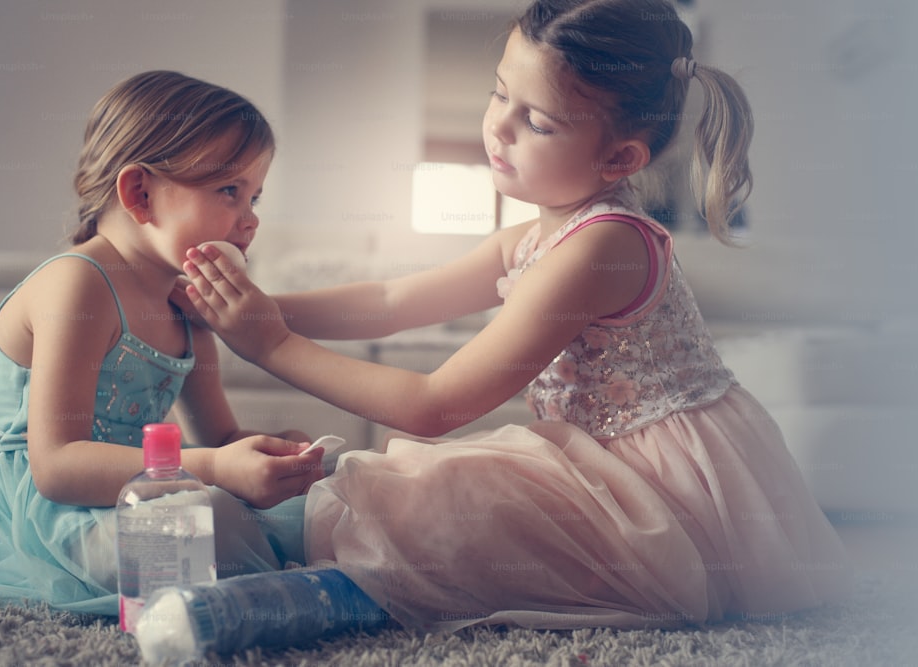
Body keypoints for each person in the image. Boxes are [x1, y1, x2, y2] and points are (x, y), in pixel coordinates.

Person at [183, 0, 851, 633]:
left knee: (454, 506)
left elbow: (434, 405)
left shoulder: (604, 246)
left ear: (620, 158)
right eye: (501, 93)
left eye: (537, 121)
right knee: (447, 501)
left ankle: (293, 601)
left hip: (667, 500)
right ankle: (293, 567)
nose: (498, 125)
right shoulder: (533, 236)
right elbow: (390, 303)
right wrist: (252, 310)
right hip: (594, 470)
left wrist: (267, 342)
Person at [0, 71, 325, 616]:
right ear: (140, 193)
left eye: (254, 196)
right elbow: (57, 466)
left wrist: (277, 454)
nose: (250, 220)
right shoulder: (79, 282)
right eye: (229, 191)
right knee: (204, 533)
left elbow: (220, 436)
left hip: (135, 492)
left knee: (321, 492)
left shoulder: (188, 305)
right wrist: (221, 471)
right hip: (35, 508)